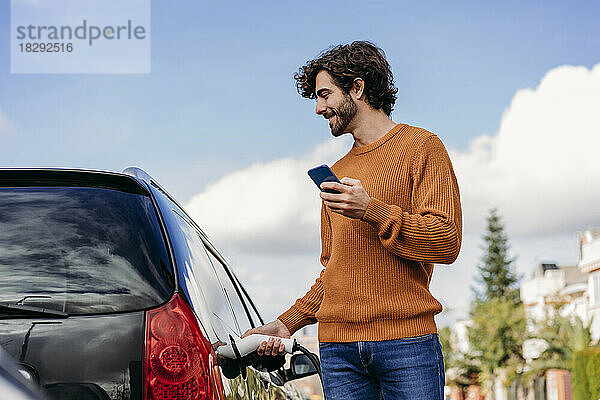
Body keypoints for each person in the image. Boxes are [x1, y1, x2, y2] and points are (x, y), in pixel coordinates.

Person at [241, 41, 462, 400]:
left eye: (325, 94)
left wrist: (370, 210)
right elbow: (335, 270)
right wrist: (286, 324)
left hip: (406, 344)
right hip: (338, 353)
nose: (318, 108)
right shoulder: (338, 173)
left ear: (357, 88)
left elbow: (446, 240)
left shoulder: (422, 147)